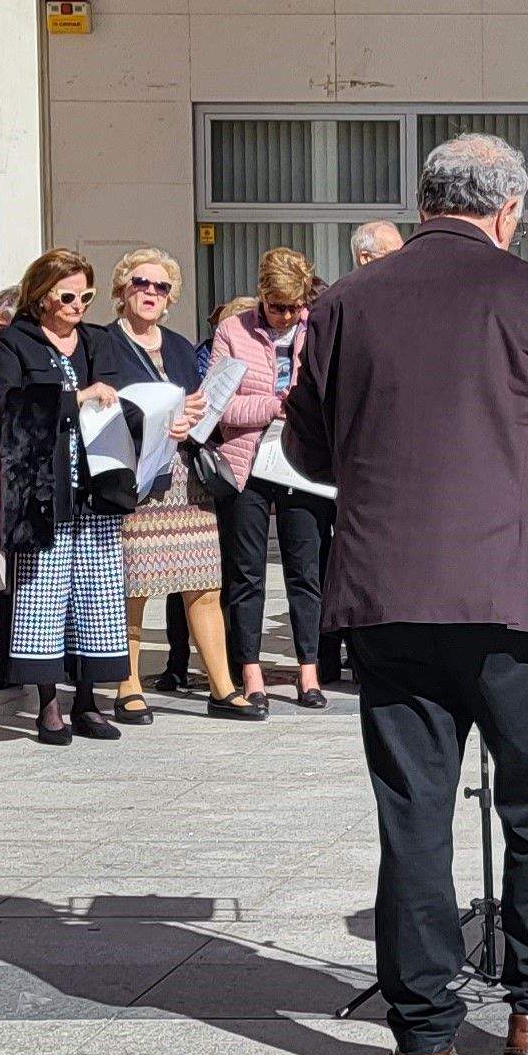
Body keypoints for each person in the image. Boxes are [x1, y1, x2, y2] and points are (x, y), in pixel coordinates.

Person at [281, 135, 528, 1055]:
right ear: (509, 208)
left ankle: (424, 1034)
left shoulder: (346, 300)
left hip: (391, 597)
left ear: (425, 198)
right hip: (522, 599)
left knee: (413, 818)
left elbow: (309, 450)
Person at [0, 247, 143, 742]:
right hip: (42, 492)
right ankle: (48, 704)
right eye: (69, 295)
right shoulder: (16, 343)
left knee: (97, 596)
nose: (79, 305)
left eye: (86, 295)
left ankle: (89, 701)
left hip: (96, 489)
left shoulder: (97, 342)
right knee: (42, 597)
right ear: (42, 295)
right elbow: (6, 405)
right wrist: (74, 398)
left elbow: (122, 399)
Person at [94, 247, 244, 720]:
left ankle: (223, 688)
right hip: (136, 478)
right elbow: (96, 411)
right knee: (133, 586)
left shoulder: (180, 346)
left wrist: (196, 414)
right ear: (122, 289)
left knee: (204, 585)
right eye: (141, 283)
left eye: (161, 287)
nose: (151, 293)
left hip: (185, 478)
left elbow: (196, 402)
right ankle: (128, 685)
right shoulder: (102, 343)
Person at [213, 250, 338, 710]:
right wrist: (272, 404)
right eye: (275, 307)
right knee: (246, 575)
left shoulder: (319, 329)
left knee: (306, 572)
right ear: (261, 297)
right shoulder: (232, 331)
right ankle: (250, 672)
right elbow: (219, 408)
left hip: (303, 466)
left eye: (293, 307)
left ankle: (310, 672)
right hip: (246, 465)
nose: (285, 316)